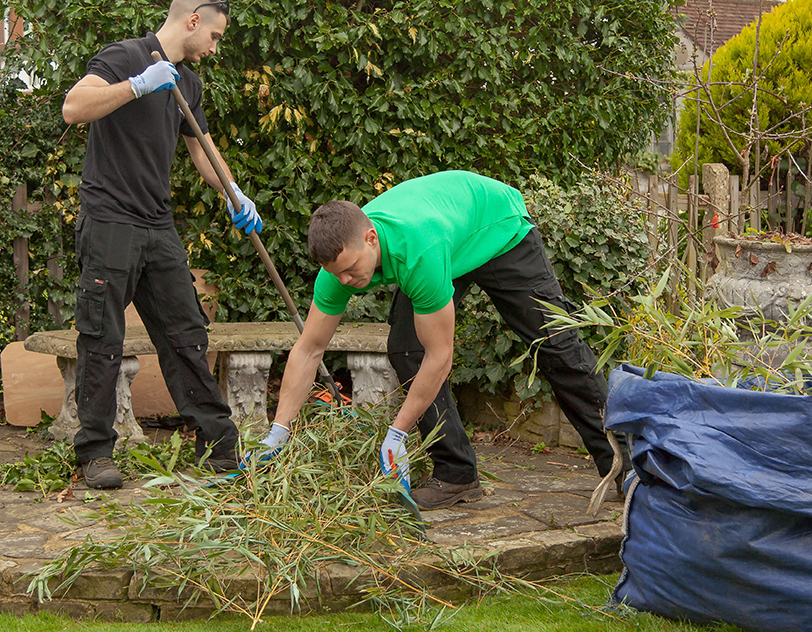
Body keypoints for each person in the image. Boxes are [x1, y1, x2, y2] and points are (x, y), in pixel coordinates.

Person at [258, 170, 615, 510]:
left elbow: (441, 355)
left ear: (371, 238)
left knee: (557, 345)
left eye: (352, 269)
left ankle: (625, 464)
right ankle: (456, 473)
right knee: (407, 350)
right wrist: (278, 429)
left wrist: (397, 433)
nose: (347, 280)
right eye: (339, 274)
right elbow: (309, 349)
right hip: (447, 238)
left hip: (496, 228)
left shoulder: (418, 252)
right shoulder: (336, 272)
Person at [61, 0, 262, 489]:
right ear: (192, 21)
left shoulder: (188, 85)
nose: (215, 48)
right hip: (109, 220)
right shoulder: (126, 56)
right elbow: (74, 107)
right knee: (102, 337)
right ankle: (96, 453)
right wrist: (137, 85)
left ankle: (219, 447)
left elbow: (205, 156)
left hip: (157, 225)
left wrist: (235, 193)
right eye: (214, 35)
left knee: (187, 333)